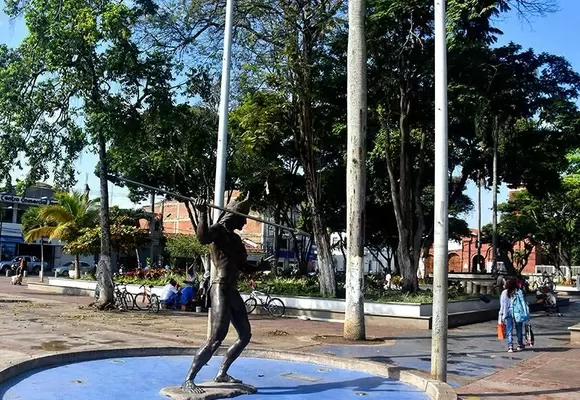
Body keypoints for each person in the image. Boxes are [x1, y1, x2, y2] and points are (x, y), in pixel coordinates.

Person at [182, 194, 252, 394]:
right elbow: (202, 238)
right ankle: (189, 378)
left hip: (232, 290)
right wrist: (202, 212)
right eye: (243, 217)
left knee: (245, 335)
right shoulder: (218, 232)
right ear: (233, 216)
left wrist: (259, 267)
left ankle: (222, 372)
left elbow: (244, 266)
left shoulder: (236, 240)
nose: (246, 221)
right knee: (216, 337)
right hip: (220, 288)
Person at [499, 278, 524, 352]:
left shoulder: (504, 292)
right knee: (519, 328)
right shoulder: (519, 292)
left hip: (507, 312)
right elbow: (522, 303)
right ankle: (519, 345)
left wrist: (501, 314)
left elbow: (502, 305)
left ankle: (510, 346)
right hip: (517, 312)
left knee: (509, 329)